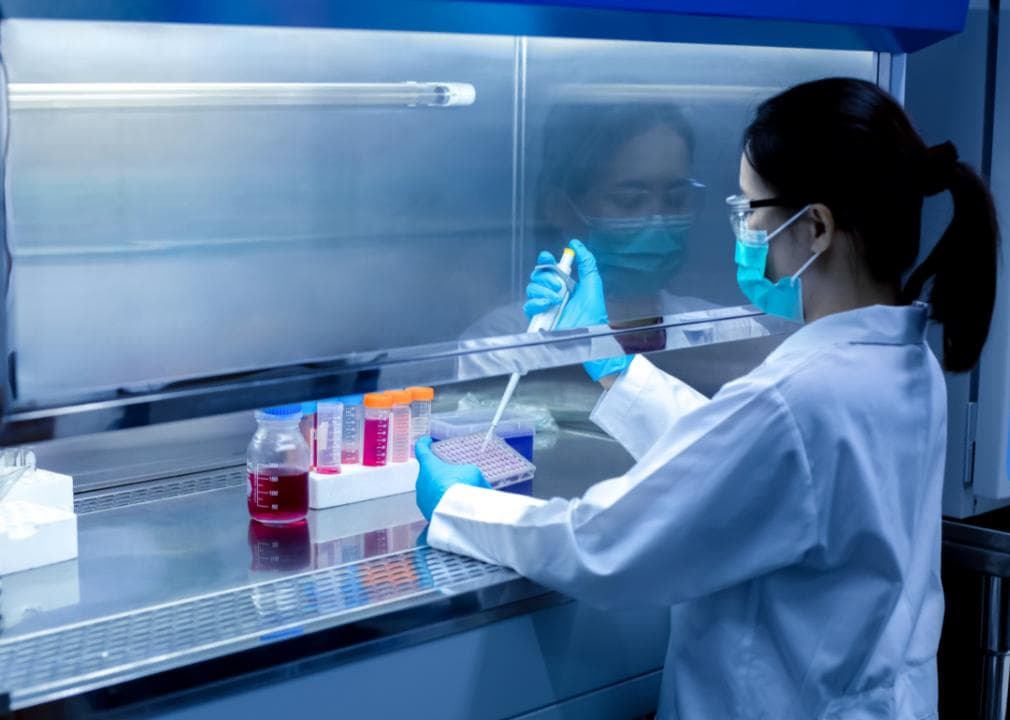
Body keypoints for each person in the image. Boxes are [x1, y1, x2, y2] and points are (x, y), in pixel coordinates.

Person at [415, 77, 1000, 718]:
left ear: (816, 228)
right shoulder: (900, 358)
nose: (744, 230)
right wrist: (614, 364)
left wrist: (460, 508)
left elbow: (605, 547)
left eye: (751, 209)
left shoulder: (803, 397)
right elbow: (743, 463)